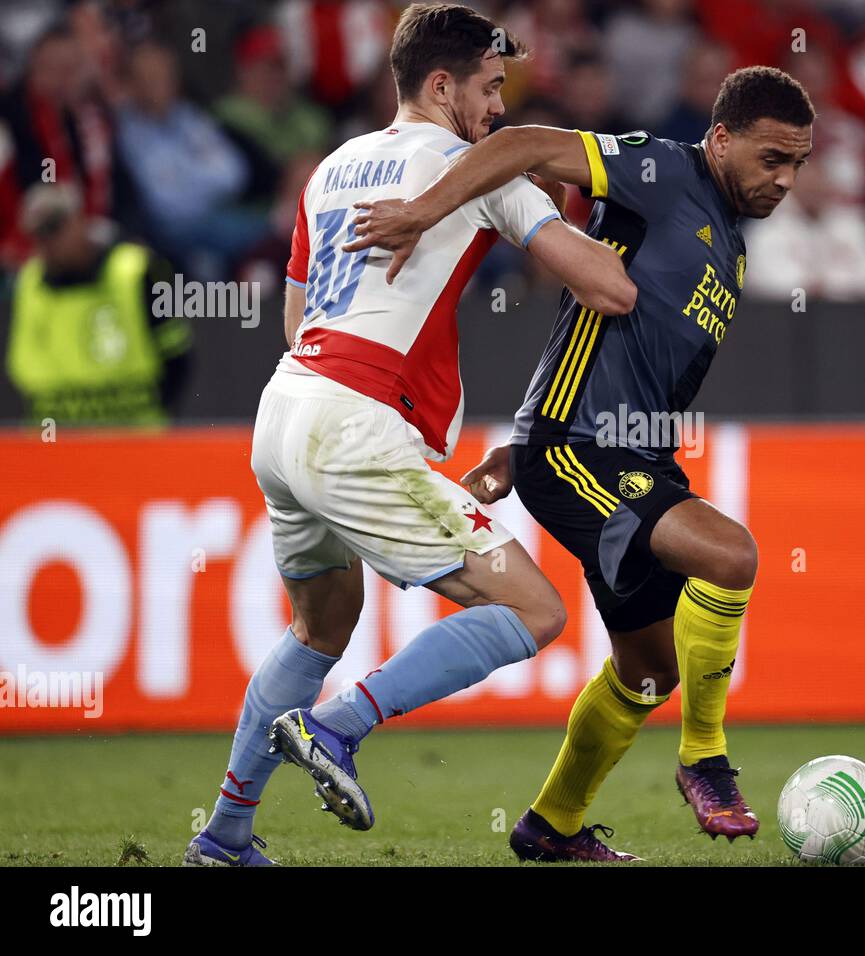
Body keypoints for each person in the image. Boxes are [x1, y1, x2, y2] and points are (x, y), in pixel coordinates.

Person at [184, 2, 636, 867]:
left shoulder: (329, 171)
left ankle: (225, 835)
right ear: (442, 85)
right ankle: (339, 729)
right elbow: (608, 293)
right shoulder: (477, 170)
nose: (501, 109)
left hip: (286, 412)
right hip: (355, 425)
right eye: (492, 88)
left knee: (321, 625)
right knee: (535, 610)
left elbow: (293, 318)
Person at [344, 65, 814, 861]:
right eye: (772, 158)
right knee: (731, 554)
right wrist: (424, 212)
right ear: (723, 138)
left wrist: (513, 445)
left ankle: (551, 828)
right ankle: (706, 757)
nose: (786, 180)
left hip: (612, 451)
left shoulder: (729, 250)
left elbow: (586, 342)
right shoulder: (663, 170)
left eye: (798, 164)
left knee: (647, 673)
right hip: (579, 450)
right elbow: (525, 141)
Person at [6, 183, 191, 425]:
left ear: (78, 221)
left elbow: (177, 357)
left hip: (134, 443)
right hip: (55, 449)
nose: (48, 244)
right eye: (39, 235)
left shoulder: (134, 271)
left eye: (54, 230)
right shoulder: (29, 282)